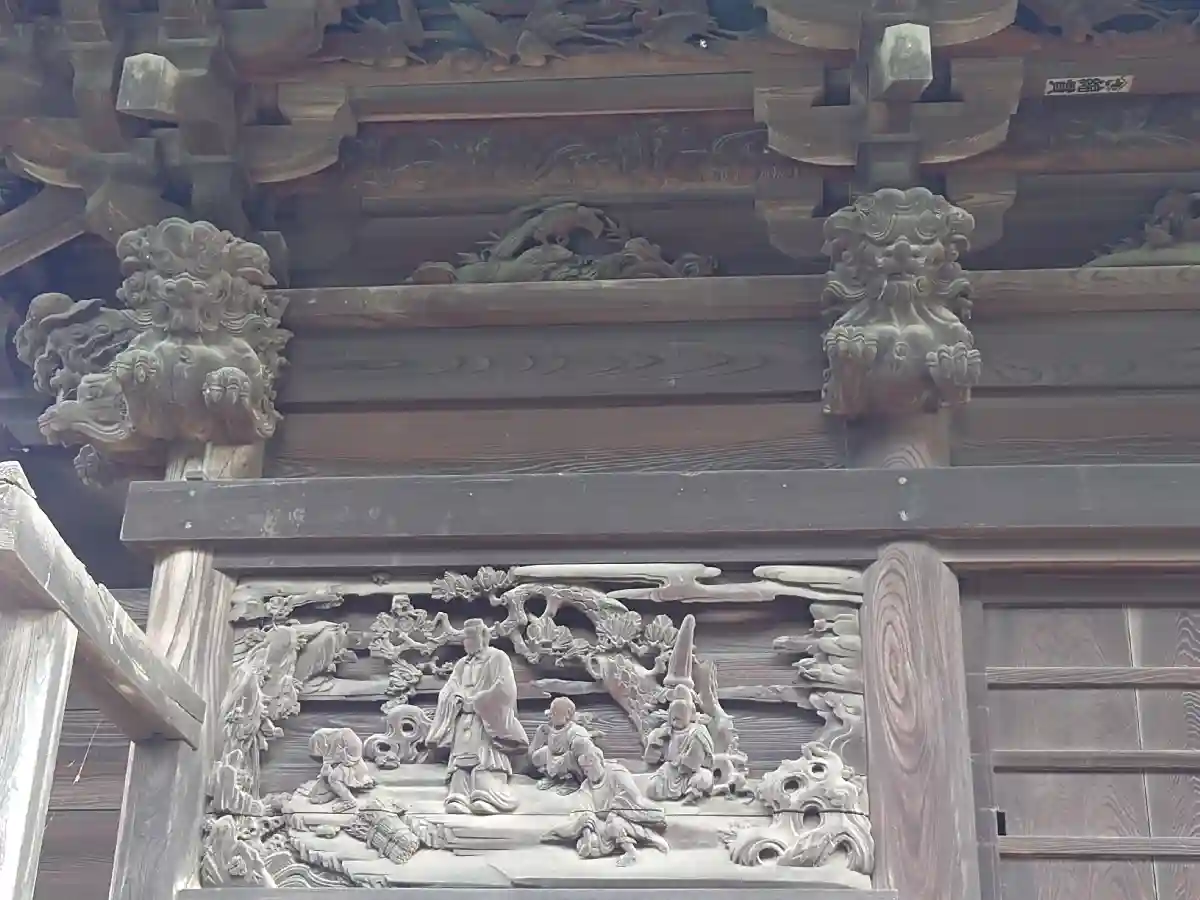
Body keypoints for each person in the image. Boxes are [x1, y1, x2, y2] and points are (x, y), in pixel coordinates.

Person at [427, 618, 529, 814]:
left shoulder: (497, 658)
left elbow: (505, 687)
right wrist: (455, 698)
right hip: (463, 718)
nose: (467, 642)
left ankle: (488, 795)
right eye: (465, 639)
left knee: (484, 760)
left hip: (487, 720)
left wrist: (479, 700)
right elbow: (450, 687)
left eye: (472, 637)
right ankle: (458, 796)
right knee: (460, 761)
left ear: (483, 637)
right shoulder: (461, 664)